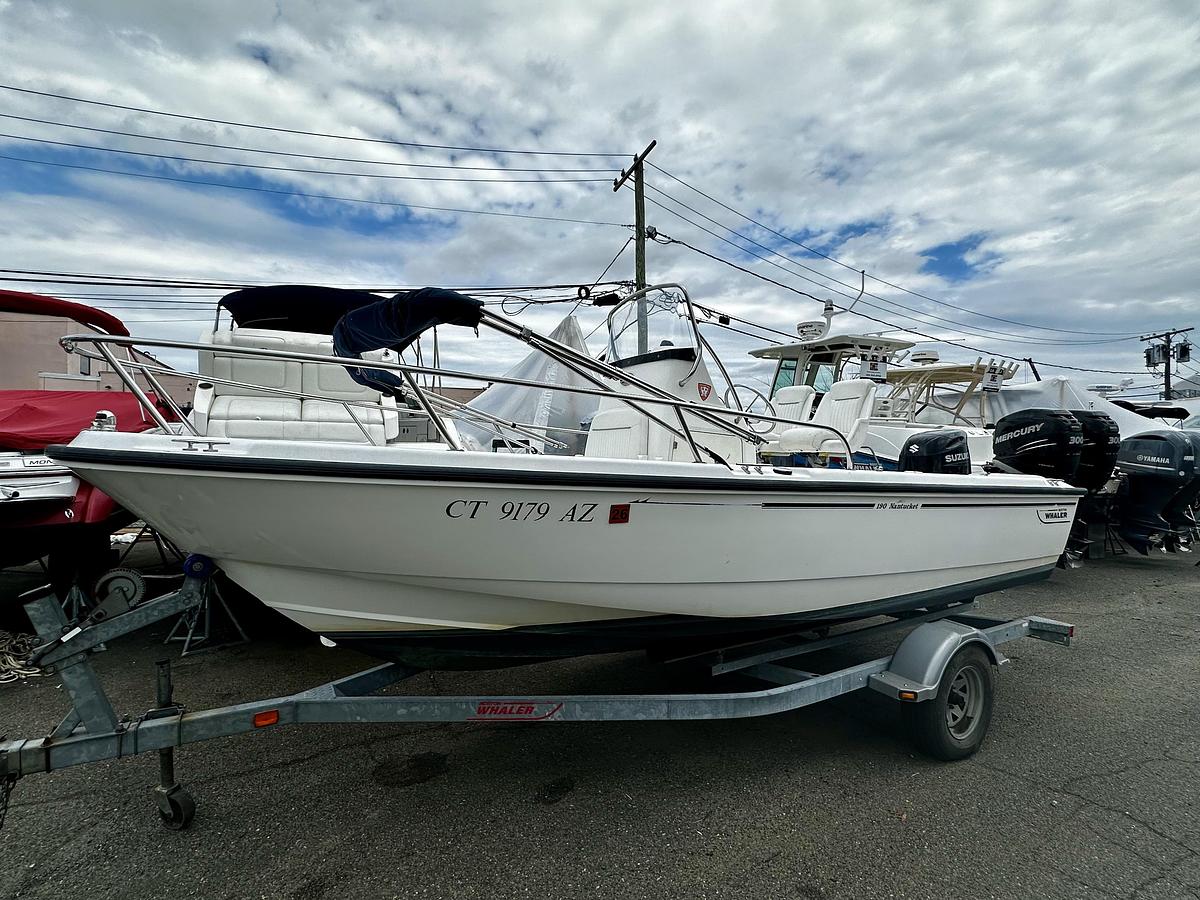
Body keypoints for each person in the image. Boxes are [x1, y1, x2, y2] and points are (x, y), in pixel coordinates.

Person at [331, 287, 484, 397]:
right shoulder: (348, 334)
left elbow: (365, 375)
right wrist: (396, 385)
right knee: (404, 316)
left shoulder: (347, 340)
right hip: (351, 330)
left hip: (351, 333)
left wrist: (395, 386)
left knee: (405, 315)